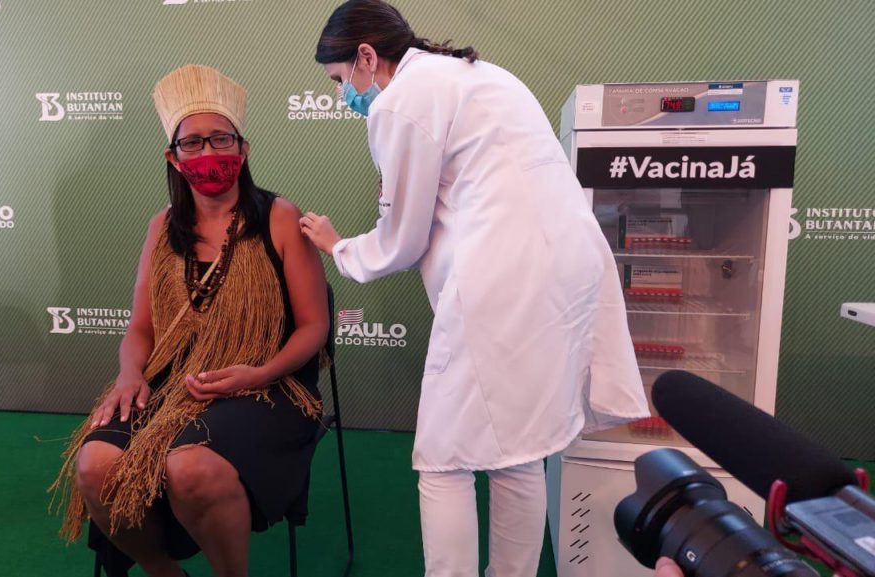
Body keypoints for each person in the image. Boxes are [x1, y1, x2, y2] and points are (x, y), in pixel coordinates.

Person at [298, 1, 649, 576]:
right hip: (568, 271)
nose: (344, 96)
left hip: (502, 280)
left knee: (444, 460)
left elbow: (403, 237)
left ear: (366, 56)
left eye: (340, 80)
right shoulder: (481, 75)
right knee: (520, 451)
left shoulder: (402, 101)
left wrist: (340, 248)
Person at [50, 64, 329, 577]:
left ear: (243, 149)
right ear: (173, 158)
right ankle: (164, 571)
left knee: (190, 465)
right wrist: (129, 375)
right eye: (193, 143)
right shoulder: (161, 226)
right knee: (96, 465)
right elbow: (141, 328)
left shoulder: (280, 217)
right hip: (171, 379)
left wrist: (260, 373)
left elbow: (314, 326)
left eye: (221, 139)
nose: (208, 153)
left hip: (267, 385)